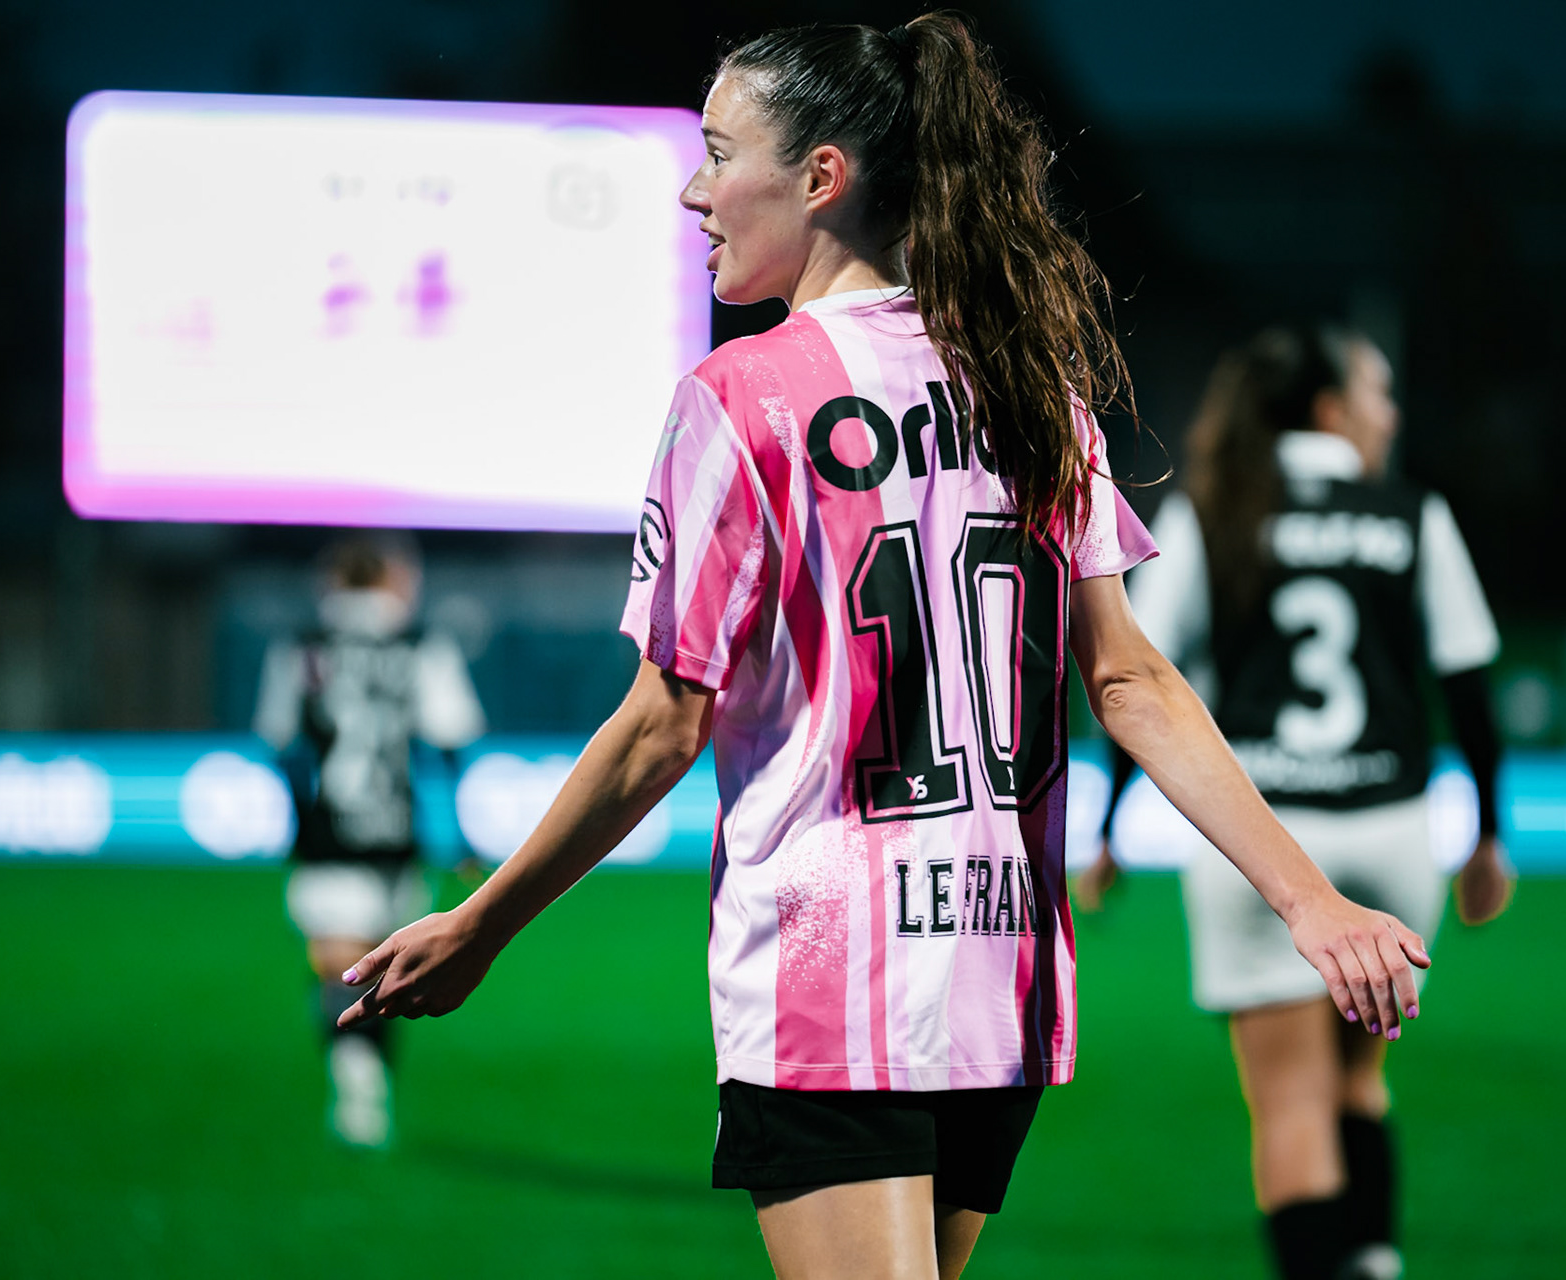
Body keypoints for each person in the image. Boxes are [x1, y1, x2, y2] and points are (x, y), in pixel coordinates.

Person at [335, 18, 1429, 1278]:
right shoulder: (1028, 385)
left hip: (827, 969)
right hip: (998, 971)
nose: (692, 190)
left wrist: (481, 922)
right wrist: (1310, 900)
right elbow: (1128, 677)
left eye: (716, 153)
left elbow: (661, 724)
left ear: (821, 177)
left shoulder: (740, 397)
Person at [1079, 326, 1511, 1280]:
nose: (1387, 415)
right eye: (1376, 395)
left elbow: (1142, 676)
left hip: (1264, 846)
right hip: (1394, 830)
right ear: (1328, 409)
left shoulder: (1221, 510)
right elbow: (1470, 680)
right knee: (1361, 1084)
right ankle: (1375, 1263)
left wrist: (1108, 832)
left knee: (1290, 1105)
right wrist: (1489, 836)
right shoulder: (1409, 512)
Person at [254, 536, 485, 1149]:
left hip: (328, 838)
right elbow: (449, 740)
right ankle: (368, 1082)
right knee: (387, 975)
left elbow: (281, 743)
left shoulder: (302, 647)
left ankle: (353, 1081)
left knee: (336, 966)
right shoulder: (421, 644)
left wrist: (300, 821)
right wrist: (460, 838)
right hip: (396, 840)